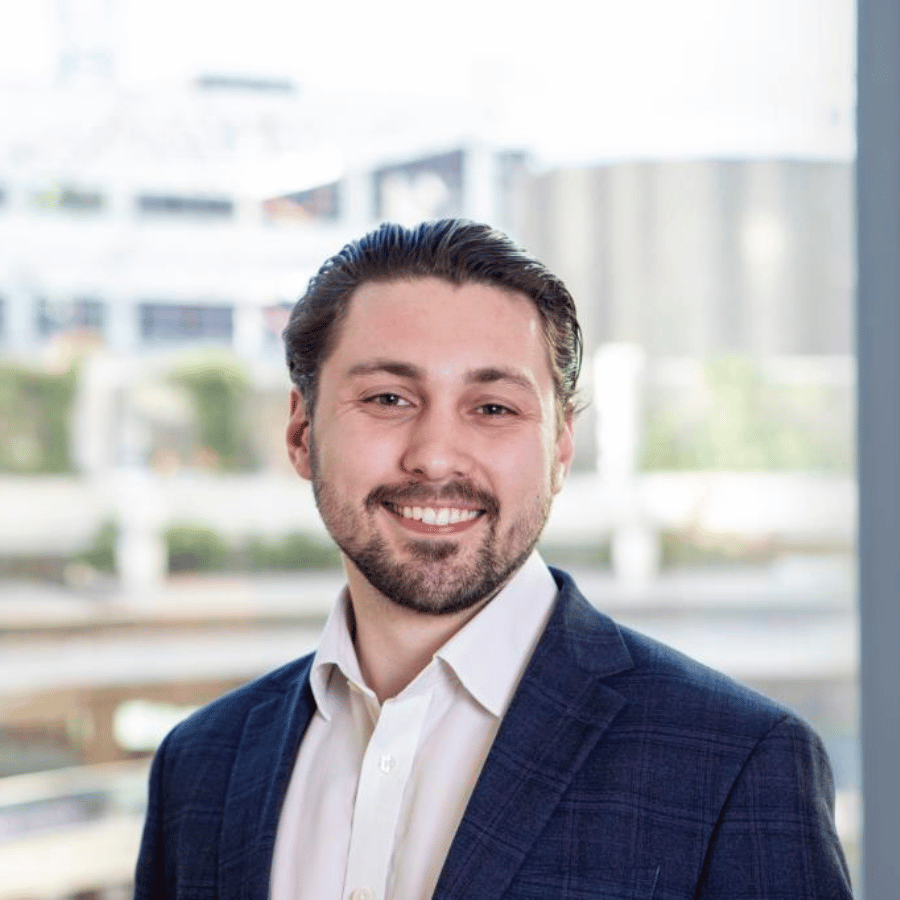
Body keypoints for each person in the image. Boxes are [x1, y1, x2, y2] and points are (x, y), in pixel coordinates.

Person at [134, 219, 852, 899]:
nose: (436, 455)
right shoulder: (200, 767)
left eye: (493, 408)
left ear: (561, 447)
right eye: (388, 397)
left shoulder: (736, 766)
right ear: (300, 431)